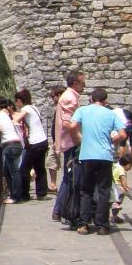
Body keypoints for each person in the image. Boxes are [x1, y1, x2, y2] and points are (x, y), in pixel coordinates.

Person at [68, 88, 126, 235]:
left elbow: (72, 126)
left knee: (86, 190)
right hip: (105, 156)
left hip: (87, 155)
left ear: (91, 98)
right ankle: (103, 225)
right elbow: (123, 134)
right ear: (105, 100)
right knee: (104, 190)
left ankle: (84, 224)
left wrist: (78, 138)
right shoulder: (110, 113)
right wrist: (113, 140)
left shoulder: (83, 110)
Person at [52, 69, 86, 222]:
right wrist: (79, 139)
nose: (84, 85)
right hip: (71, 143)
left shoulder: (69, 97)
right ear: (75, 83)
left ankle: (59, 210)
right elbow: (67, 124)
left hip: (69, 142)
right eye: (83, 83)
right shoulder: (70, 98)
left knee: (69, 176)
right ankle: (60, 210)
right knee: (70, 177)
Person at [14, 88, 49, 200]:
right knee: (40, 167)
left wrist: (11, 122)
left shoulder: (26, 108)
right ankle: (41, 192)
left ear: (20, 100)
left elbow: (17, 119)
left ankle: (24, 194)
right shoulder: (34, 108)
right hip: (43, 140)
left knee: (24, 168)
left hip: (35, 142)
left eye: (16, 101)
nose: (16, 104)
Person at [0, 98, 23, 204]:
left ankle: (16, 197)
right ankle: (13, 194)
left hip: (9, 145)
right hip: (17, 143)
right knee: (7, 170)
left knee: (13, 171)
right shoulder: (4, 114)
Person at [44, 84, 65, 191]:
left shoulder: (62, 108)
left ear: (59, 95)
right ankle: (53, 185)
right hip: (57, 140)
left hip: (60, 141)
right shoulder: (59, 108)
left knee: (52, 160)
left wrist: (58, 141)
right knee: (52, 161)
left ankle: (54, 185)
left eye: (53, 96)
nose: (52, 99)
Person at [110, 153, 132, 225]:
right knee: (121, 196)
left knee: (113, 201)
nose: (130, 168)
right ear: (126, 163)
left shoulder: (116, 165)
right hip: (117, 187)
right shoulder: (121, 169)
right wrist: (125, 187)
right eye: (130, 166)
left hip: (111, 186)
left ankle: (114, 214)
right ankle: (114, 213)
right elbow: (123, 178)